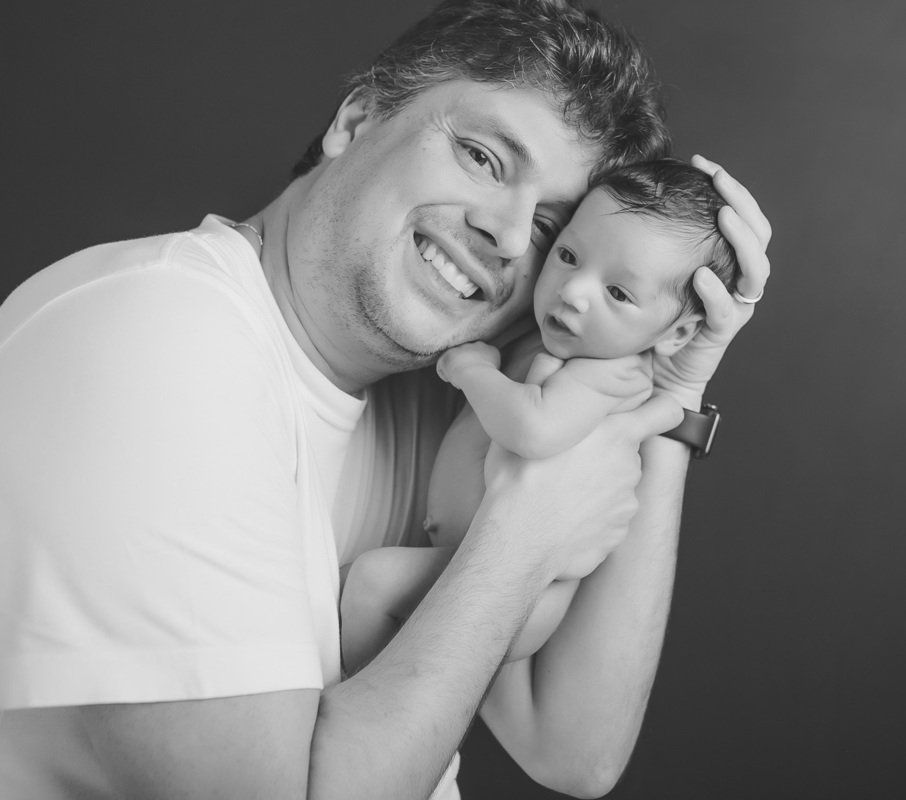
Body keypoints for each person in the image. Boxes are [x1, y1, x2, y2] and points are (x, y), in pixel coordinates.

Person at [0, 1, 771, 798]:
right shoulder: (161, 337)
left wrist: (674, 392)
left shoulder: (440, 401)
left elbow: (575, 750)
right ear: (357, 119)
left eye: (549, 227)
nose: (510, 235)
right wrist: (523, 537)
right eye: (482, 157)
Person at [340, 159, 742, 672]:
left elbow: (533, 429)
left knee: (369, 583)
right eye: (569, 256)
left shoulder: (613, 372)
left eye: (618, 293)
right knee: (344, 589)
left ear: (677, 334)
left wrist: (470, 369)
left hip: (517, 593)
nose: (573, 291)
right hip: (465, 561)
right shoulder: (560, 338)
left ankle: (360, 698)